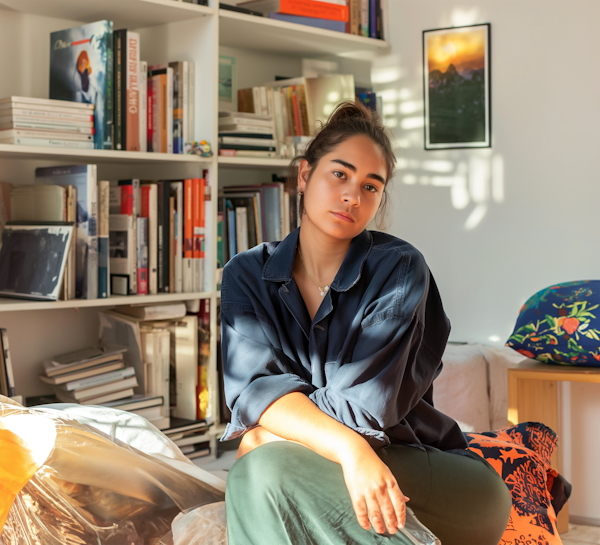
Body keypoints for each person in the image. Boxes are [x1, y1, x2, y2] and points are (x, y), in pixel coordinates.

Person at [219, 101, 512, 545]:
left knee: (261, 463)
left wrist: (271, 424)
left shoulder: (400, 269)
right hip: (345, 462)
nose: (352, 196)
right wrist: (349, 449)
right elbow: (251, 392)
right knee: (259, 472)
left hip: (435, 477)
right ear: (304, 176)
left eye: (370, 186)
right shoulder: (246, 274)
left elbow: (363, 408)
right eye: (340, 174)